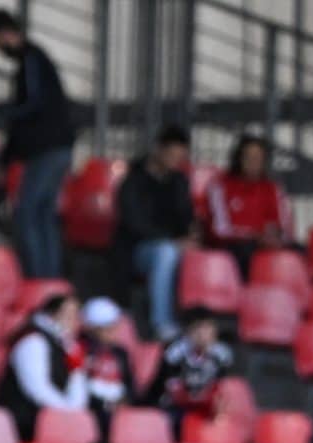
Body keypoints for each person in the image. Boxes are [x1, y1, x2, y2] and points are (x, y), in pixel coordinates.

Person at [0, 8, 76, 282]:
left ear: (4, 34)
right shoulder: (35, 59)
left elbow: (31, 106)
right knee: (43, 215)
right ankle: (51, 279)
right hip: (56, 147)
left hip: (47, 148)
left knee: (28, 214)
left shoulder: (31, 60)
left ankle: (38, 278)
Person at [111, 127, 196, 340]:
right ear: (158, 150)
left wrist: (191, 235)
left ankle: (197, 325)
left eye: (180, 157)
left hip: (174, 245)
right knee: (166, 252)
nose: (175, 161)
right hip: (137, 250)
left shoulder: (179, 182)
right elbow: (134, 224)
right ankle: (163, 324)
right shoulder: (133, 181)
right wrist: (171, 240)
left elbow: (186, 217)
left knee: (198, 256)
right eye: (171, 155)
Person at [0, 291, 96, 441]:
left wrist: (74, 412)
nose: (76, 321)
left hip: (54, 421)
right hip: (23, 426)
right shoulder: (33, 341)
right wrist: (66, 413)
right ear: (52, 314)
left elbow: (76, 384)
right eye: (70, 314)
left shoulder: (68, 345)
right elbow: (38, 389)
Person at [204, 134, 291, 267]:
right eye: (248, 157)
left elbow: (284, 228)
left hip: (266, 244)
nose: (253, 161)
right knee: (245, 252)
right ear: (239, 158)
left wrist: (275, 236)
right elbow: (219, 230)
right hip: (234, 247)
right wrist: (255, 236)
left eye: (258, 158)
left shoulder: (272, 188)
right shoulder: (220, 186)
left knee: (300, 252)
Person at [154, 308, 235, 423]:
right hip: (178, 408)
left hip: (208, 407)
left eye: (208, 328)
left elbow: (223, 387)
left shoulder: (222, 356)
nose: (203, 335)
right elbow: (169, 389)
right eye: (198, 329)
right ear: (188, 332)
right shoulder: (174, 355)